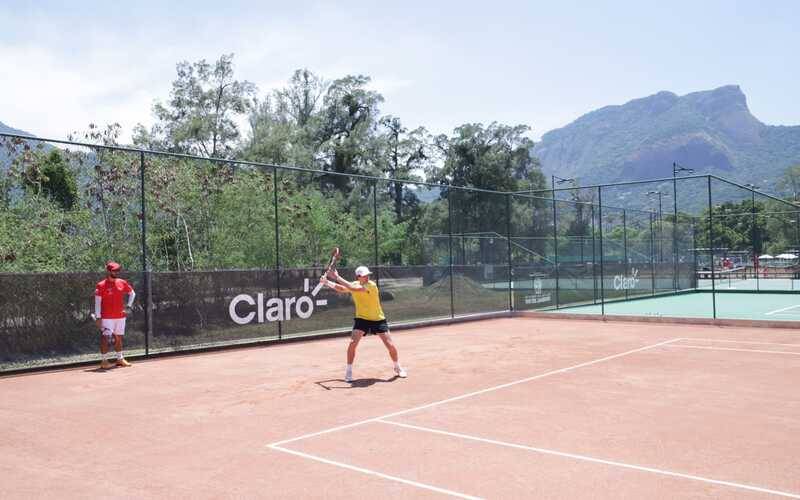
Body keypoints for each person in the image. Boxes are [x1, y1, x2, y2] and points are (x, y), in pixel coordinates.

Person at [321, 265, 407, 383]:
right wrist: (327, 282)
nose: (367, 277)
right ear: (358, 277)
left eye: (368, 275)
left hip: (378, 319)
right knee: (352, 343)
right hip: (362, 319)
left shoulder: (371, 285)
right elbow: (342, 289)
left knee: (390, 345)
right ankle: (349, 371)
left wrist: (336, 277)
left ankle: (397, 367)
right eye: (364, 276)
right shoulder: (355, 284)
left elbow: (352, 288)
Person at [94, 261, 136, 369]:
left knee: (119, 338)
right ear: (108, 271)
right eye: (114, 270)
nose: (117, 272)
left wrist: (128, 306)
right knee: (105, 338)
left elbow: (132, 293)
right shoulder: (101, 285)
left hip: (120, 316)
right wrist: (98, 317)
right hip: (107, 318)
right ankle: (104, 361)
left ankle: (120, 359)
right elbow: (97, 302)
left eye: (118, 270)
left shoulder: (122, 282)